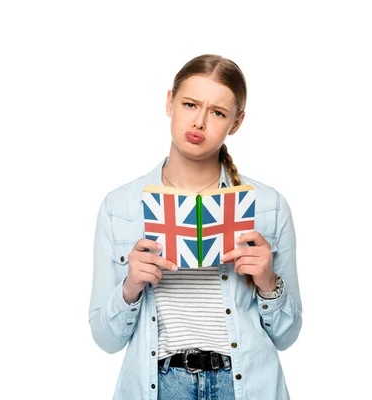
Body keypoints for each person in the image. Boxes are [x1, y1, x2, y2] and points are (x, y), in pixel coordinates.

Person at [88, 54, 303, 400]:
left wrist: (267, 283)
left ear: (236, 122)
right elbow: (105, 338)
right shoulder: (120, 207)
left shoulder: (268, 206)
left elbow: (287, 336)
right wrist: (130, 287)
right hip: (161, 385)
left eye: (218, 112)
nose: (200, 122)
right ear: (170, 102)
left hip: (244, 385)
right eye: (190, 104)